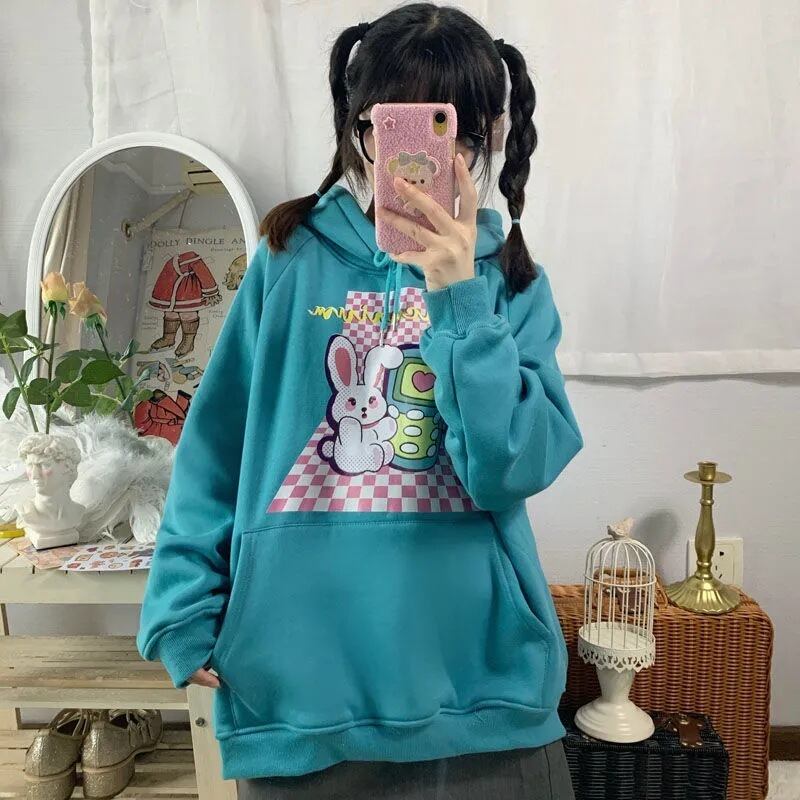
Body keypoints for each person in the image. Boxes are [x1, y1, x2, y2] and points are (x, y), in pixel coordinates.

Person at [136, 4, 584, 798]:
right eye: (400, 124)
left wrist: (460, 298)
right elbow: (216, 446)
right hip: (299, 682)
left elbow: (510, 469)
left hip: (478, 685)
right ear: (363, 126)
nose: (421, 157)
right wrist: (183, 599)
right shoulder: (288, 259)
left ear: (487, 133)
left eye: (449, 129)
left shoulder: (511, 284)